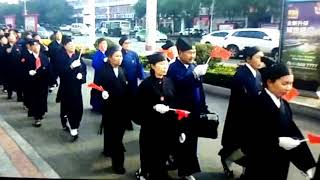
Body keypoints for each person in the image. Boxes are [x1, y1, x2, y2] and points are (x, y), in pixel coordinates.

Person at [244, 63, 316, 180]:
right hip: (260, 165)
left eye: (291, 83)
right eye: (284, 83)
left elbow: (294, 133)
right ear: (269, 82)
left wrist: (307, 165)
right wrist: (277, 141)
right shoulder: (255, 103)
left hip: (280, 164)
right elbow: (247, 137)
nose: (289, 88)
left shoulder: (284, 104)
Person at [167, 37, 209, 180]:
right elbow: (179, 84)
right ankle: (184, 170)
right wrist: (194, 74)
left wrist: (203, 106)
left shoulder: (193, 65)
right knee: (183, 141)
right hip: (181, 112)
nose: (192, 56)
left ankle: (183, 167)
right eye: (189, 53)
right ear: (180, 52)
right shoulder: (173, 68)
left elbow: (199, 88)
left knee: (191, 142)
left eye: (194, 52)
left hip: (194, 111)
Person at [219, 46, 264, 177]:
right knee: (238, 146)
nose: (261, 60)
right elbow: (242, 99)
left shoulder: (258, 73)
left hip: (253, 118)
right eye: (258, 57)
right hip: (240, 118)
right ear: (248, 59)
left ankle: (246, 172)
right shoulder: (241, 75)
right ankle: (226, 160)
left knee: (250, 147)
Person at [135, 52, 176, 180]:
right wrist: (152, 108)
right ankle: (145, 172)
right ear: (153, 66)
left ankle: (161, 172)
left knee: (164, 151)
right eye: (161, 64)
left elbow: (174, 101)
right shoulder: (145, 85)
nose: (165, 67)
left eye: (166, 64)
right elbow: (137, 107)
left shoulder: (169, 82)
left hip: (166, 125)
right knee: (149, 151)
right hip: (150, 126)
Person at [95, 46, 129, 174]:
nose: (120, 59)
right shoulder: (102, 71)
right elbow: (95, 88)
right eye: (117, 56)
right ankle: (118, 164)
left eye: (121, 56)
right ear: (109, 58)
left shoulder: (122, 70)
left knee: (115, 135)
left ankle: (108, 149)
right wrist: (101, 94)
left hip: (122, 110)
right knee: (116, 138)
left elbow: (126, 90)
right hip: (110, 110)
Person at [55, 36, 87, 141]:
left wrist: (81, 76)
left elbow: (84, 70)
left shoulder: (78, 57)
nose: (72, 47)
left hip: (76, 88)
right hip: (66, 87)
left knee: (78, 108)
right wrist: (71, 67)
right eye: (70, 45)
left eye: (73, 45)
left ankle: (74, 124)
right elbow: (59, 72)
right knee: (67, 108)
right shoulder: (60, 57)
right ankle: (72, 127)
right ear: (65, 46)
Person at [119, 35, 146, 130]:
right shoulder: (119, 54)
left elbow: (139, 66)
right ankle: (126, 121)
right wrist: (123, 79)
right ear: (122, 45)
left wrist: (142, 77)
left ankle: (133, 118)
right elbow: (119, 69)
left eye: (129, 43)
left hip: (133, 82)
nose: (128, 45)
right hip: (124, 83)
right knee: (125, 102)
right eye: (126, 43)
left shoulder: (133, 54)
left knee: (133, 101)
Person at [25, 40, 51, 127]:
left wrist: (52, 81)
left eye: (38, 45)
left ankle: (41, 113)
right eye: (34, 45)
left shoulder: (44, 57)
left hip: (43, 82)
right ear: (31, 47)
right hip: (33, 83)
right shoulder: (28, 58)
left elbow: (49, 69)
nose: (36, 47)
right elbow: (22, 70)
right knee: (35, 100)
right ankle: (37, 117)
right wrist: (28, 73)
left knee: (43, 98)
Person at [90, 38, 108, 112]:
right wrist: (103, 62)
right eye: (103, 43)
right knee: (97, 90)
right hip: (99, 76)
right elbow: (95, 65)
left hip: (106, 76)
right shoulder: (97, 54)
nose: (104, 45)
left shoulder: (107, 53)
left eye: (105, 44)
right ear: (99, 45)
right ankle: (96, 106)